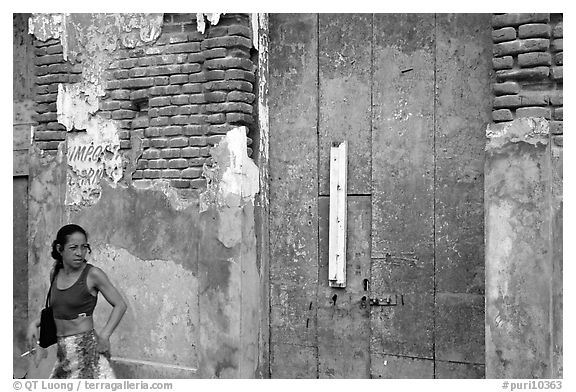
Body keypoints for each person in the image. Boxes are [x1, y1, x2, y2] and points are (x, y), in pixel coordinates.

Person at [26, 224, 127, 379]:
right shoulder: (55, 273)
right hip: (63, 355)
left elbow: (120, 304)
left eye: (84, 247)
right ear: (60, 249)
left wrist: (105, 335)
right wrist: (34, 324)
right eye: (73, 247)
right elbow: (58, 309)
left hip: (87, 351)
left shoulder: (93, 274)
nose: (80, 253)